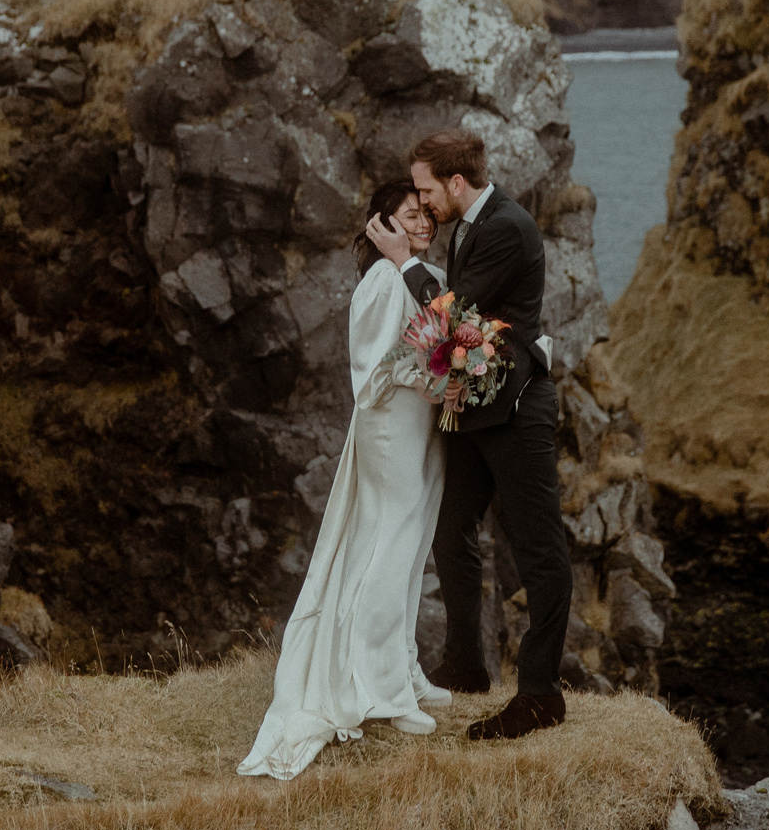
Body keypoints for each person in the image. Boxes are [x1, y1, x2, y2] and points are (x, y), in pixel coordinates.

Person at [237, 181, 455, 779]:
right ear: (382, 225)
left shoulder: (416, 274)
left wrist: (449, 375)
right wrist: (433, 375)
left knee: (410, 548)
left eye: (427, 215)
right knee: (391, 542)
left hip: (422, 425)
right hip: (391, 426)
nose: (424, 223)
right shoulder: (383, 281)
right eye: (410, 216)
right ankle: (380, 686)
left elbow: (437, 332)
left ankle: (404, 667)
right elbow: (373, 366)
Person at [364, 129, 571, 743]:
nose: (422, 202)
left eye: (426, 189)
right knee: (452, 527)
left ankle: (539, 695)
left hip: (520, 409)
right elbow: (470, 327)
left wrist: (403, 263)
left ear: (456, 183)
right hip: (479, 405)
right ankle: (466, 663)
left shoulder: (507, 226)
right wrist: (452, 377)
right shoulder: (470, 226)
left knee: (539, 549)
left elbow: (450, 313)